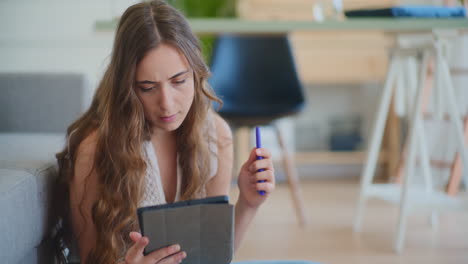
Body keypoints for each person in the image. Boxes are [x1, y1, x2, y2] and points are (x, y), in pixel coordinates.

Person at [49, 1, 275, 263]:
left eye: (179, 81)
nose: (167, 103)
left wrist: (248, 203)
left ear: (196, 74)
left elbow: (214, 255)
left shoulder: (215, 135)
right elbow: (87, 258)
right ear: (127, 87)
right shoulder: (95, 150)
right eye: (147, 87)